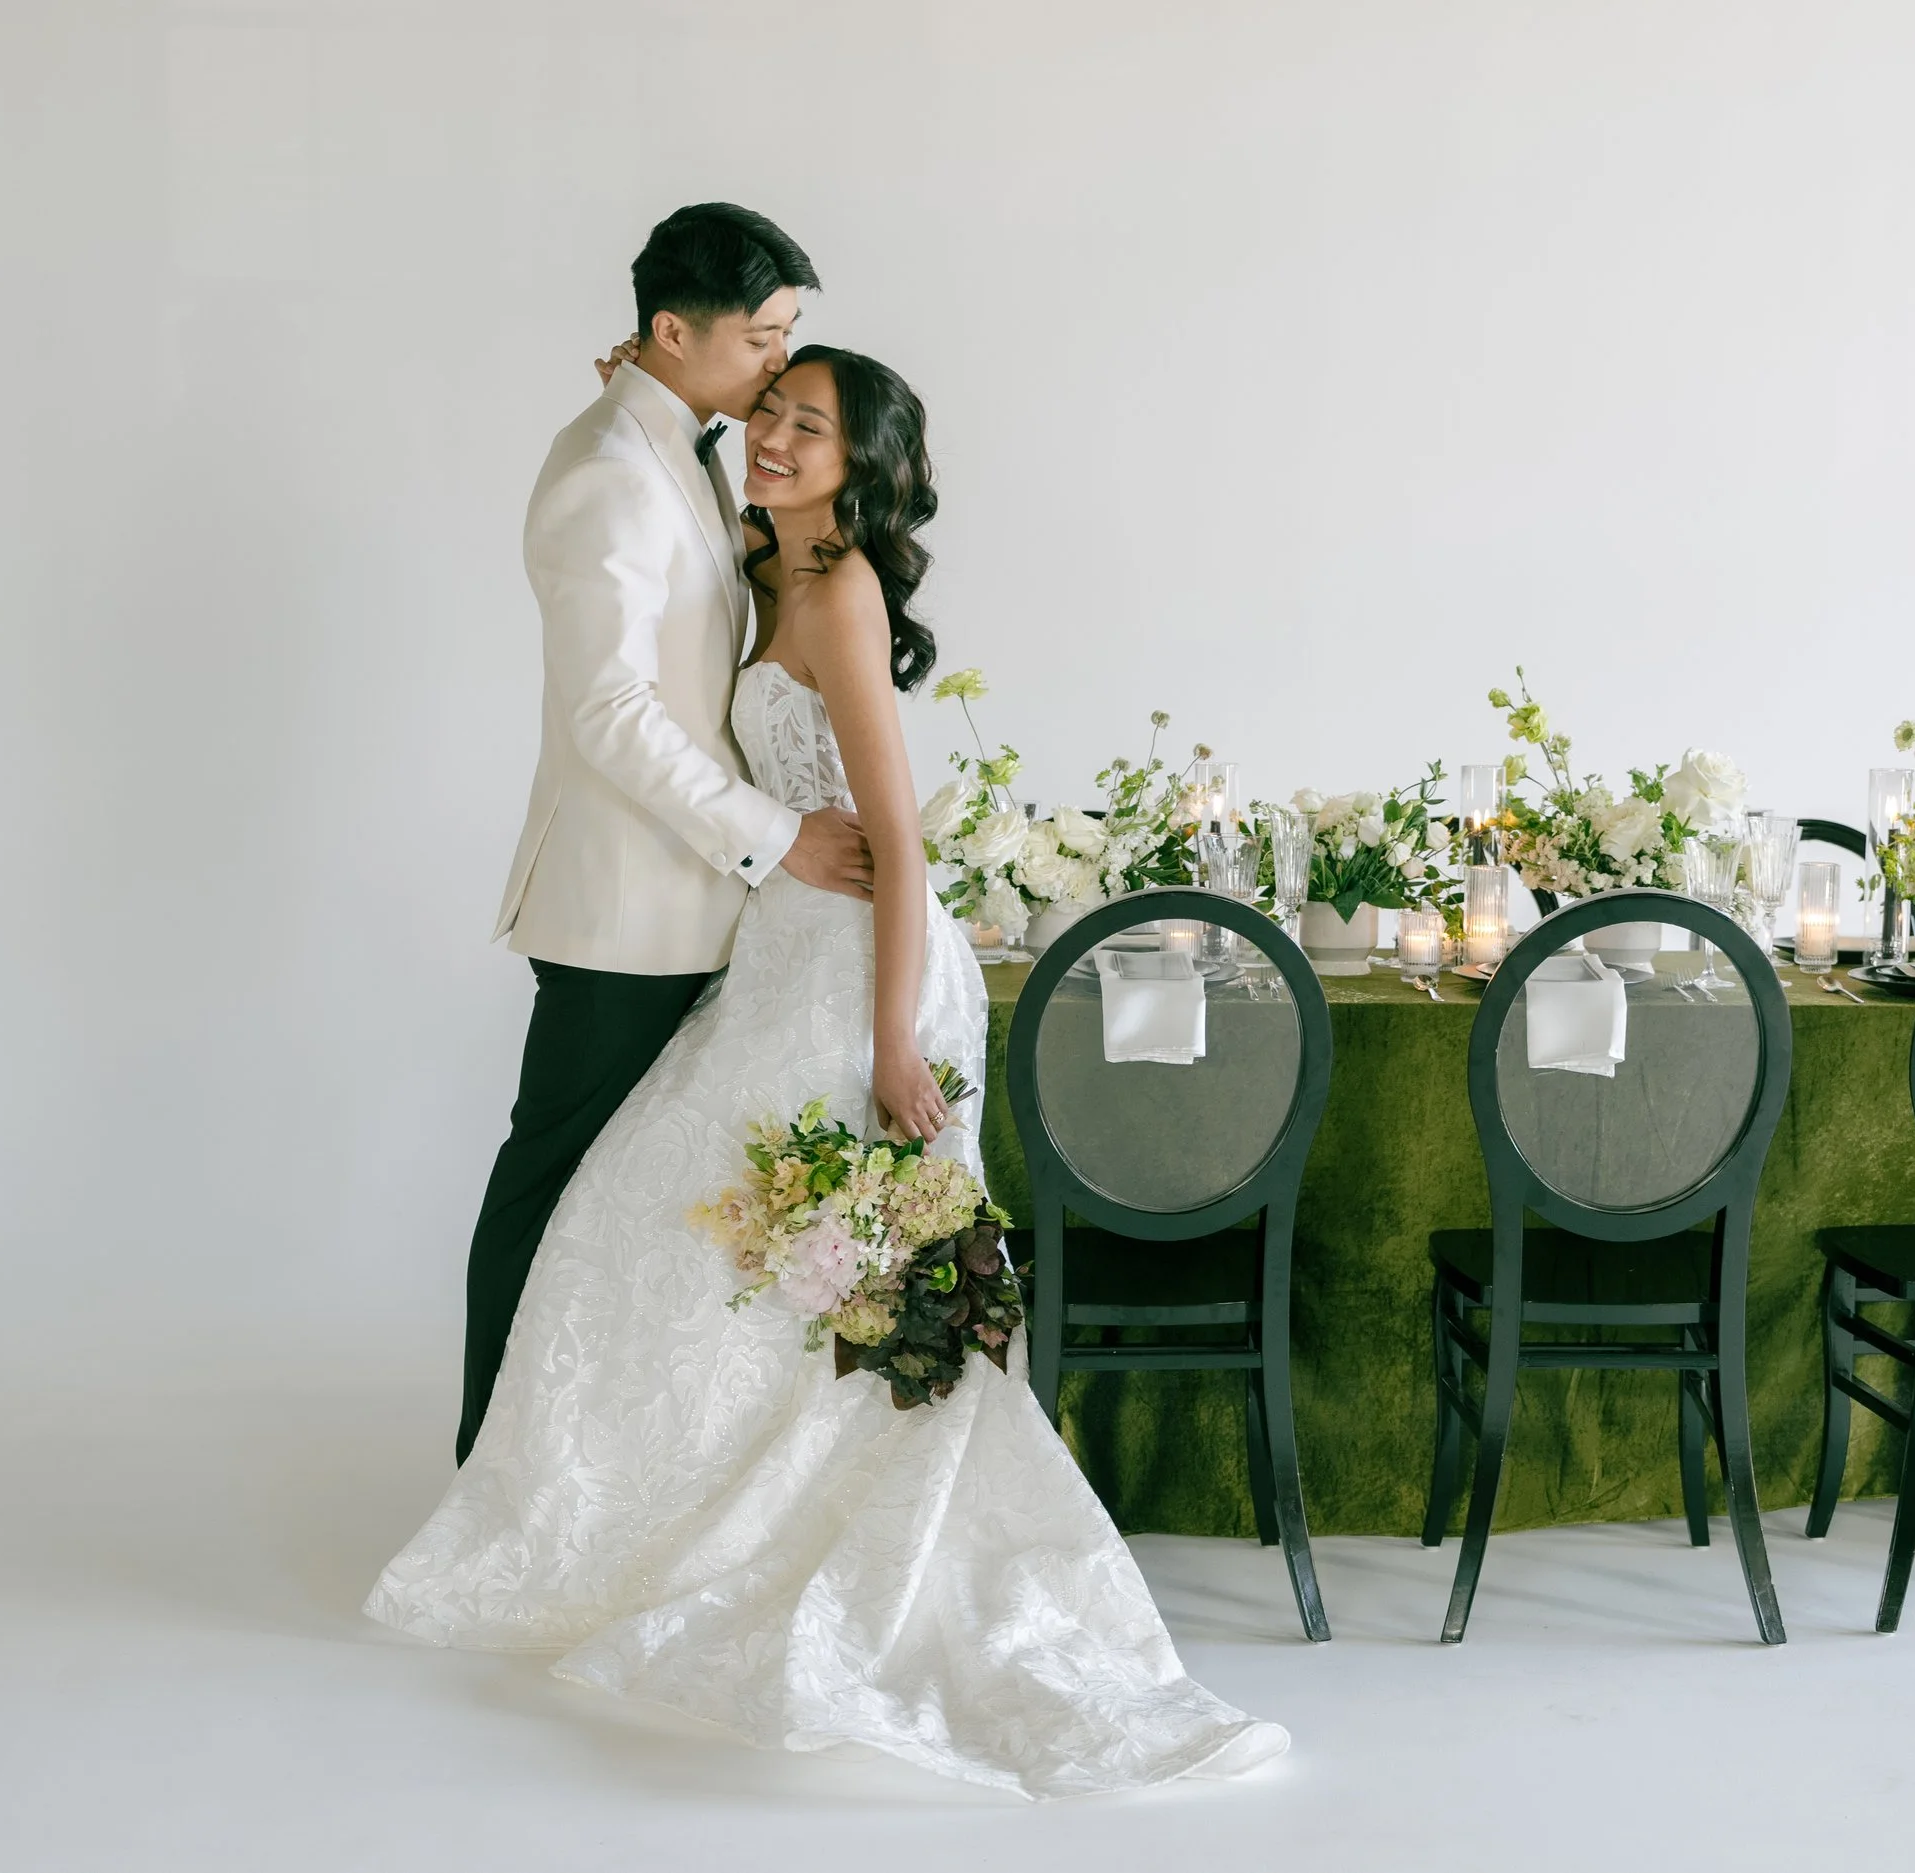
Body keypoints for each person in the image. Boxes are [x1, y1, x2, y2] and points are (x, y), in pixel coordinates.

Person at [368, 343, 1289, 1800]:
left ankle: (847, 1531)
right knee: (696, 1231)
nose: (779, 441)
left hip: (863, 974)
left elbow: (901, 840)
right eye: (772, 416)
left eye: (810, 429)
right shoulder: (767, 560)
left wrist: (891, 1043)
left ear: (863, 469)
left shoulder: (841, 591)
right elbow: (701, 458)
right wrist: (642, 390)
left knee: (844, 1263)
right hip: (782, 953)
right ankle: (669, 1509)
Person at [460, 204, 872, 1465]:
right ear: (670, 331)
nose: (778, 369)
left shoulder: (675, 437)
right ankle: (490, 1465)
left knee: (630, 1206)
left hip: (698, 905)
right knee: (553, 1189)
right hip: (627, 907)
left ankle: (593, 1457)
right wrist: (777, 839)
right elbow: (610, 714)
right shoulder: (603, 471)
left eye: (789, 336)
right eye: (762, 340)